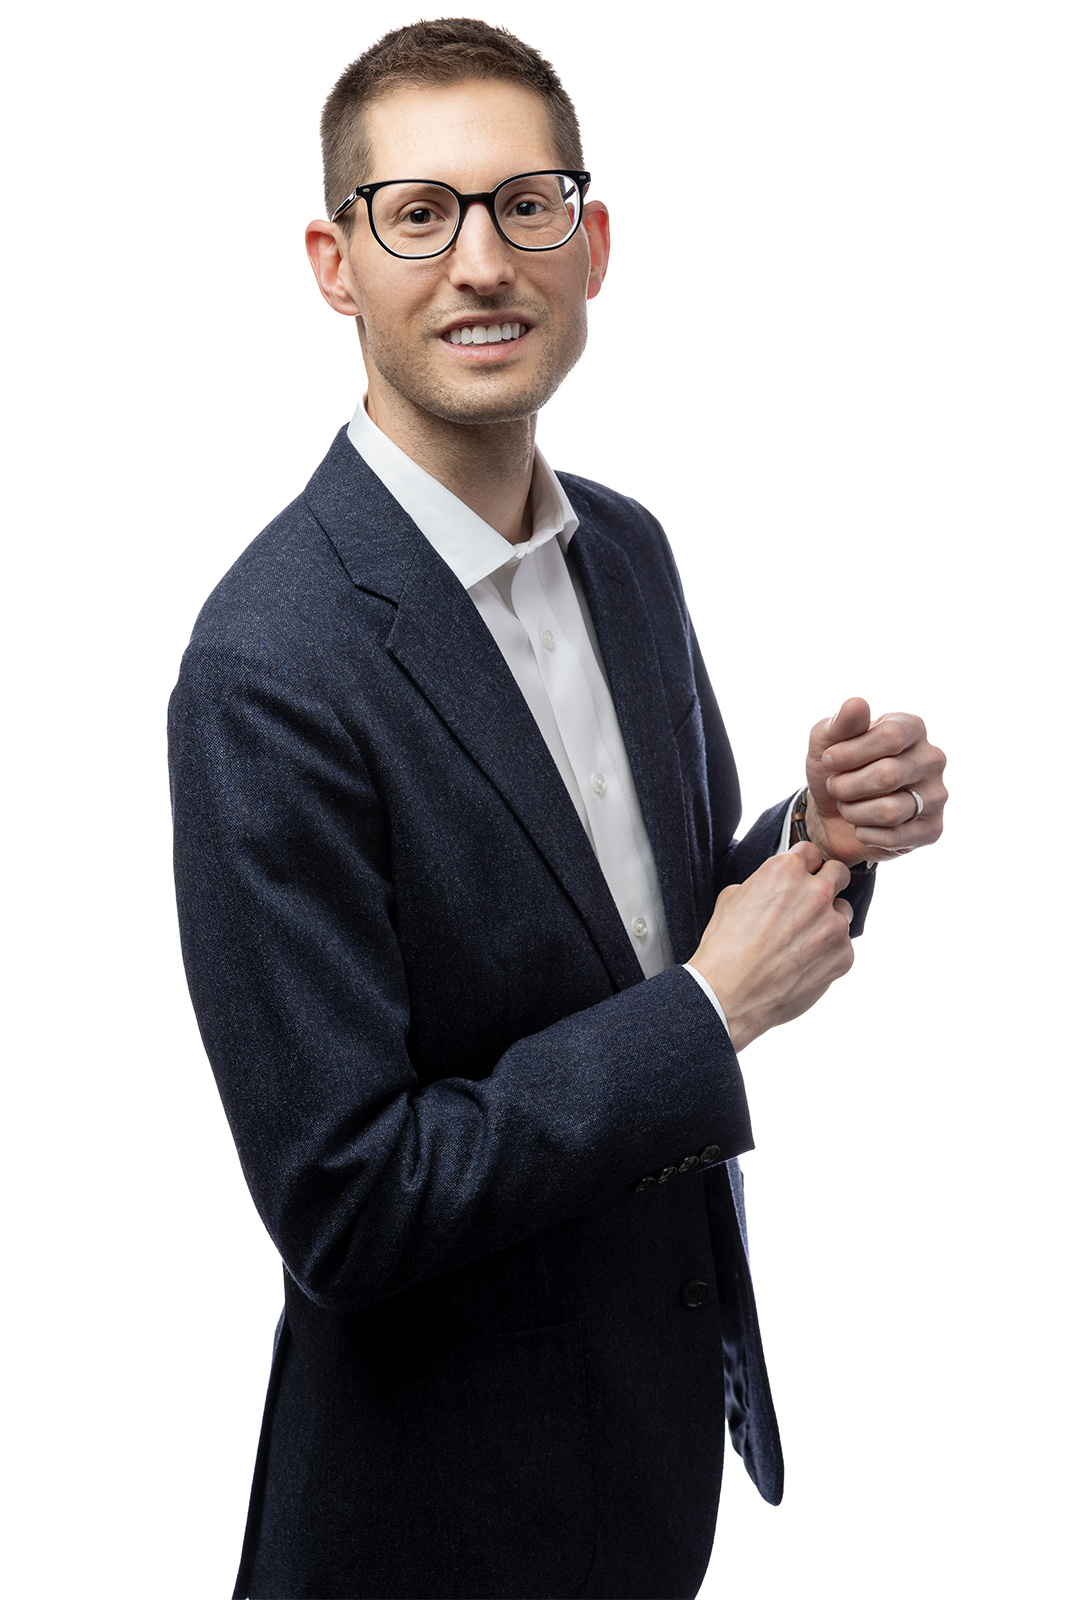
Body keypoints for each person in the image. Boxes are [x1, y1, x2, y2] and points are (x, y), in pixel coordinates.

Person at [168, 18, 947, 1600]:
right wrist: (709, 1016)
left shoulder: (631, 556)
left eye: (527, 205)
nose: (481, 261)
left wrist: (820, 841)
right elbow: (349, 1201)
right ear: (336, 262)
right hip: (431, 1523)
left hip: (645, 1462)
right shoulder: (267, 669)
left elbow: (633, 943)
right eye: (420, 213)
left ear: (591, 246)